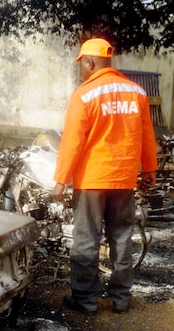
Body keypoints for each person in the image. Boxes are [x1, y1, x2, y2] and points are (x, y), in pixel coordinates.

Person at [51, 38, 157, 315]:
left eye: (82, 65)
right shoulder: (137, 93)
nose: (82, 71)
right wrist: (149, 169)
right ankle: (121, 298)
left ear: (89, 62)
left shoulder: (85, 94)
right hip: (123, 180)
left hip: (91, 182)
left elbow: (72, 141)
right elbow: (147, 135)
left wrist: (61, 180)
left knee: (86, 240)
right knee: (121, 239)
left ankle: (86, 300)